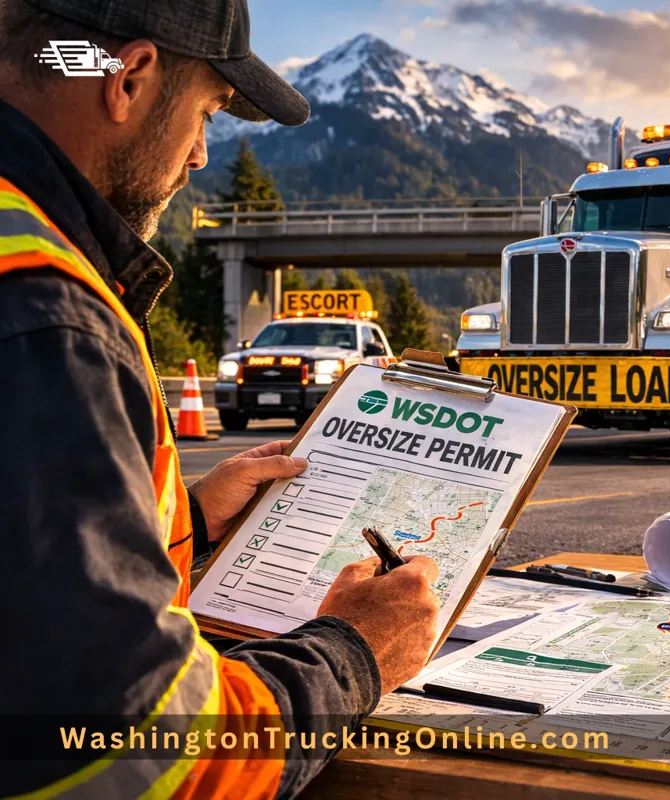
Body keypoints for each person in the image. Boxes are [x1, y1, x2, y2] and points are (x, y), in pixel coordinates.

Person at [0, 1, 440, 797]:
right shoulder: (47, 316)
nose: (202, 154)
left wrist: (191, 519)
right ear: (129, 79)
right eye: (206, 111)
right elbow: (133, 753)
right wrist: (355, 653)